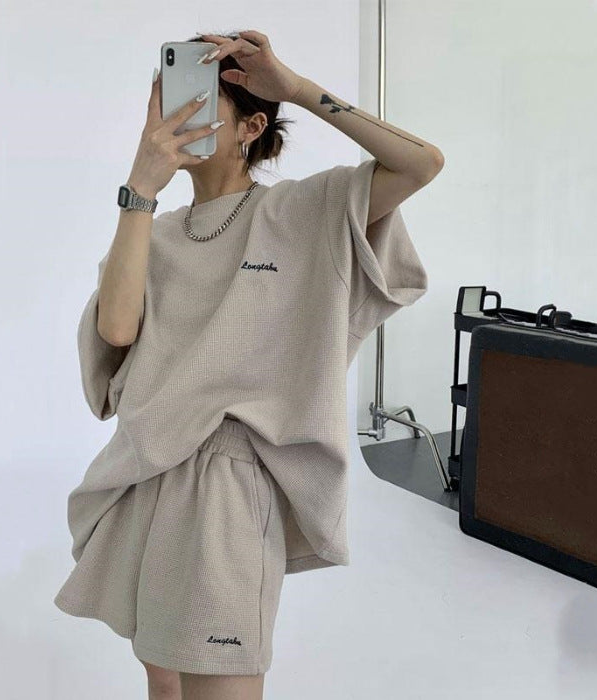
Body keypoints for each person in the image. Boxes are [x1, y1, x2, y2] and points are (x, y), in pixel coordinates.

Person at [54, 29, 443, 700]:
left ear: (251, 127)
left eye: (203, 101)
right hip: (144, 469)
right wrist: (141, 185)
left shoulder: (302, 210)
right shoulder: (154, 229)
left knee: (217, 683)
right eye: (167, 102)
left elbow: (421, 164)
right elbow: (116, 328)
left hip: (229, 484)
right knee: (164, 680)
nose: (176, 117)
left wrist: (297, 89)